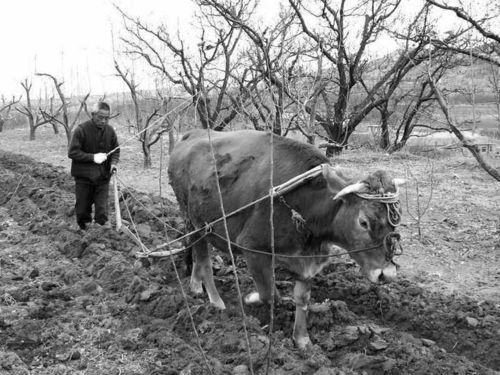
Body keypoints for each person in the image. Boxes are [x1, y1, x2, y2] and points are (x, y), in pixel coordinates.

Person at [68, 101, 120, 230]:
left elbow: (116, 150)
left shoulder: (110, 131)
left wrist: (113, 164)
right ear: (93, 115)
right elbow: (72, 153)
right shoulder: (81, 130)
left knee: (102, 210)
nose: (103, 121)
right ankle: (84, 231)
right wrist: (93, 157)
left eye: (106, 118)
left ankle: (100, 231)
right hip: (84, 178)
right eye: (100, 118)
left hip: (103, 177)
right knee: (82, 211)